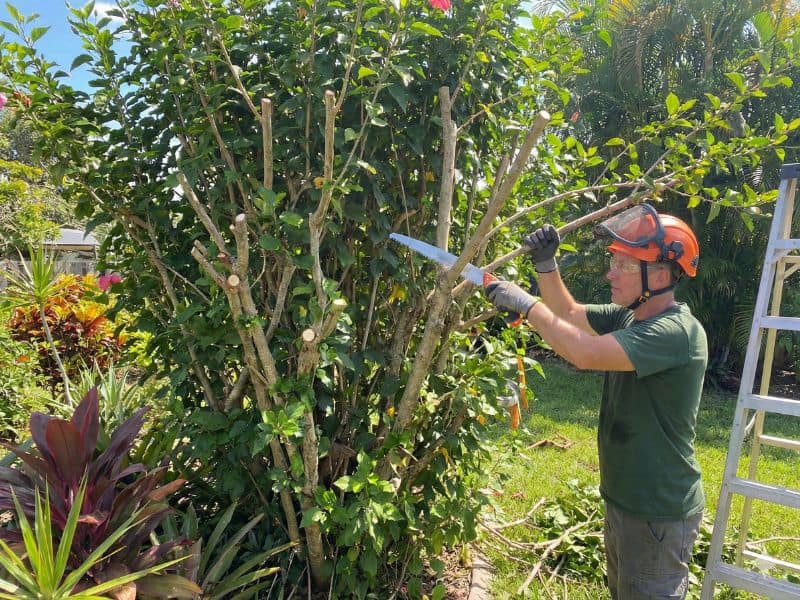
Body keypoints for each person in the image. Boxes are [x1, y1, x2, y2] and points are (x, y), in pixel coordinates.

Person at [485, 204, 707, 600]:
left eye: (622, 264)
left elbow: (584, 353)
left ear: (658, 273)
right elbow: (568, 313)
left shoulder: (676, 332)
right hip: (626, 500)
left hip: (657, 511)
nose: (610, 273)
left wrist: (527, 305)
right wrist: (546, 264)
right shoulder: (631, 316)